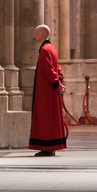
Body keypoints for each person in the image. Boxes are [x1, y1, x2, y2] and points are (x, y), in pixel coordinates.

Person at [28, 24, 67, 157]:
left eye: (36, 33)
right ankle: (50, 147)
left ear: (43, 34)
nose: (35, 36)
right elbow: (57, 68)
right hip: (50, 90)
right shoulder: (51, 48)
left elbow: (49, 70)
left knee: (45, 118)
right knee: (50, 118)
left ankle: (47, 147)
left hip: (45, 91)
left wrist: (57, 84)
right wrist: (59, 83)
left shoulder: (44, 49)